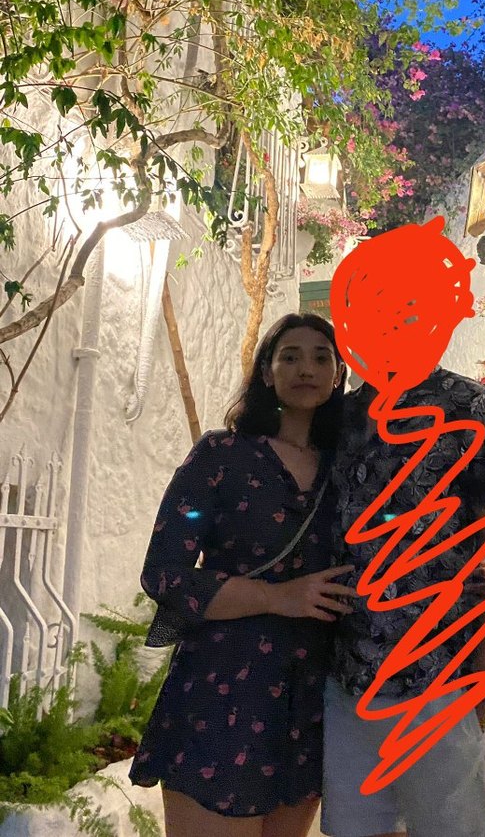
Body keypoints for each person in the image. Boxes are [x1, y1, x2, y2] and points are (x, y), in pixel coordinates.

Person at [128, 313, 356, 837]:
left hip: (310, 697)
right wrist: (277, 597)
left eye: (321, 357)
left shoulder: (347, 468)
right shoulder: (220, 456)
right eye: (290, 356)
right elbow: (164, 573)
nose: (306, 368)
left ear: (339, 374)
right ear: (267, 373)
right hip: (224, 687)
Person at [321, 367, 485, 837]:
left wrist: (482, 686)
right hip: (348, 683)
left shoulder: (470, 408)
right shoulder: (341, 416)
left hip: (441, 684)